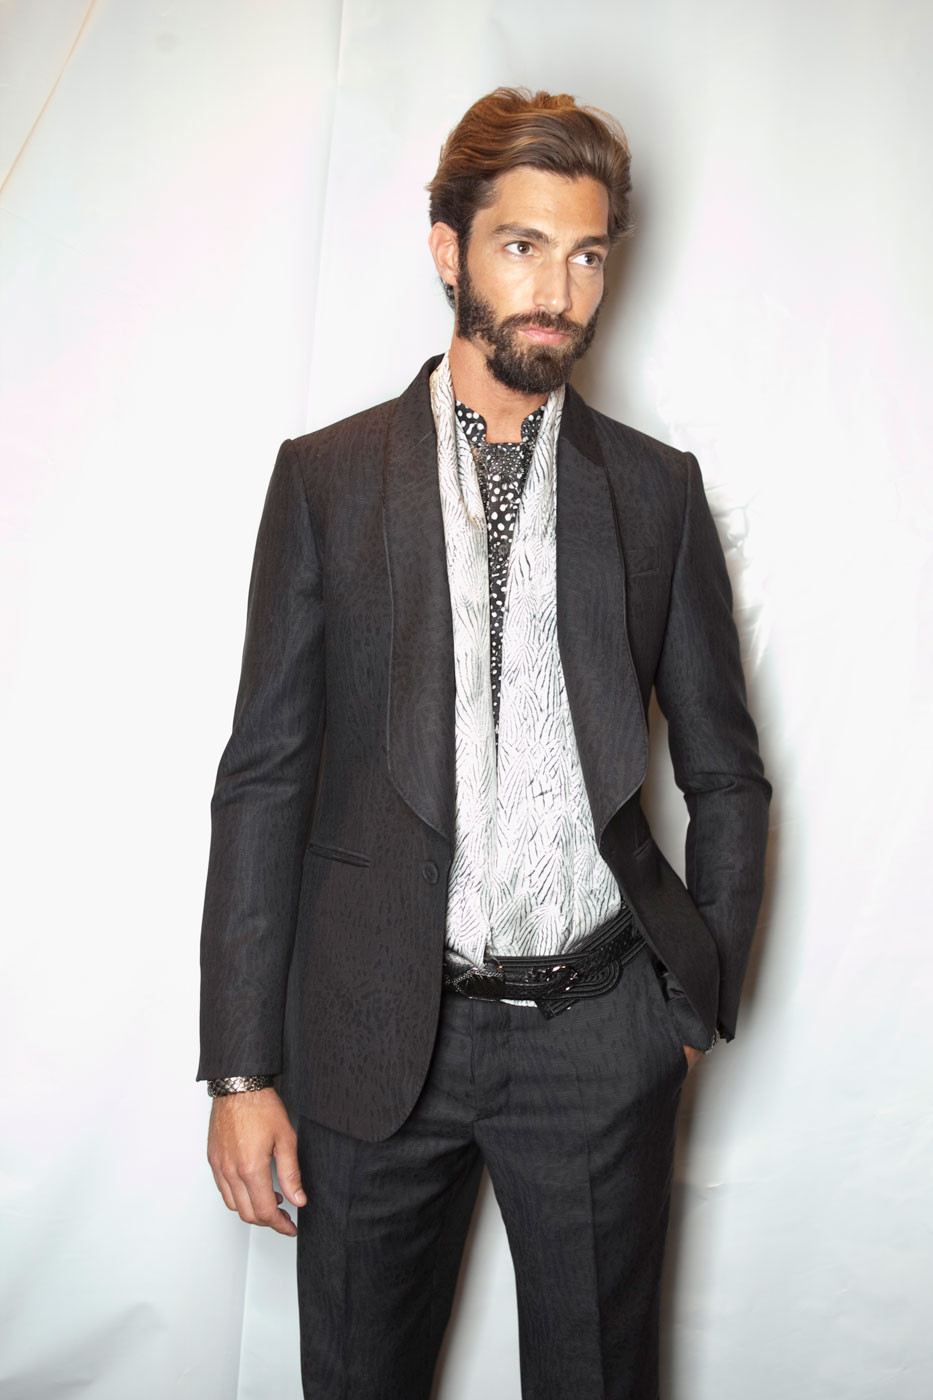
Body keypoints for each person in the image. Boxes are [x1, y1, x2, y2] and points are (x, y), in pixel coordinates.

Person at [198, 86, 771, 1399]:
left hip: (598, 1035)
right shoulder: (327, 481)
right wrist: (240, 1068)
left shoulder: (655, 492)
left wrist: (689, 1004)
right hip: (369, 1034)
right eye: (523, 246)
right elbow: (264, 780)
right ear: (448, 249)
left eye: (586, 255)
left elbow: (726, 772)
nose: (558, 292)